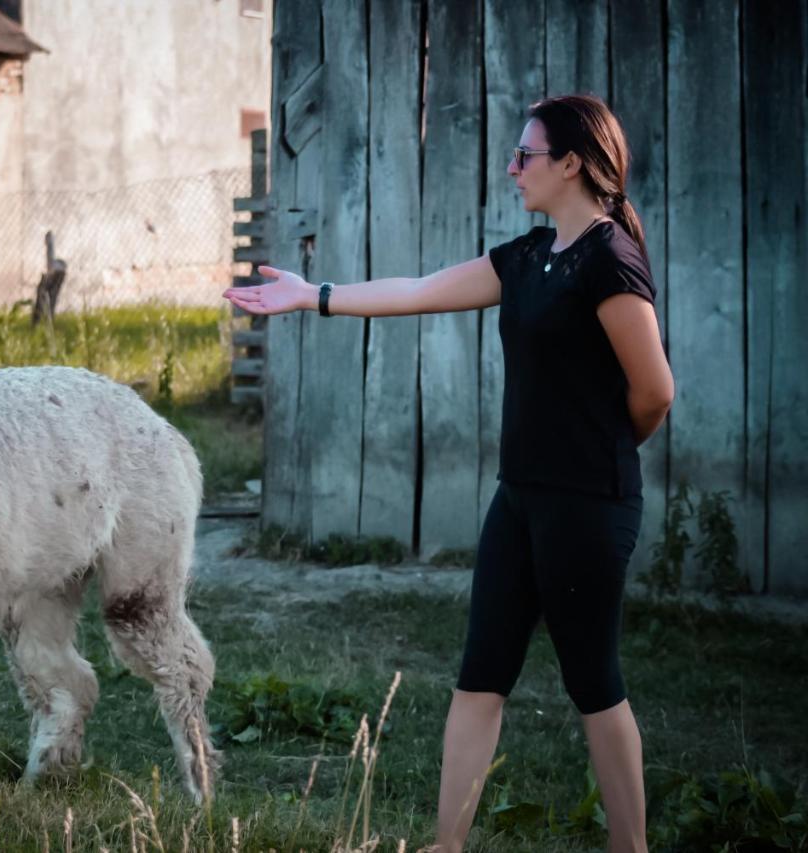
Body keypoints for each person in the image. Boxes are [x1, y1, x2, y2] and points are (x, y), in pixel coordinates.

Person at [224, 94, 674, 853]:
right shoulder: (530, 257)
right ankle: (446, 844)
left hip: (589, 505)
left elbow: (654, 391)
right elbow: (420, 290)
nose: (513, 167)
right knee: (479, 678)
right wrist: (314, 296)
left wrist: (600, 448)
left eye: (525, 155)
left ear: (570, 163)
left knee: (593, 683)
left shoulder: (609, 262)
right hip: (521, 499)